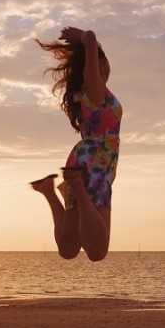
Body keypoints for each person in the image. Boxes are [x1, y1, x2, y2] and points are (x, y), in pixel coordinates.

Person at [31, 27, 122, 262]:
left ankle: (49, 190)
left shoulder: (87, 91)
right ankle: (78, 189)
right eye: (106, 62)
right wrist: (84, 38)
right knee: (97, 251)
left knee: (68, 249)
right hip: (96, 163)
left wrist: (89, 44)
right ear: (100, 64)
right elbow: (91, 37)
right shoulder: (95, 87)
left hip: (82, 160)